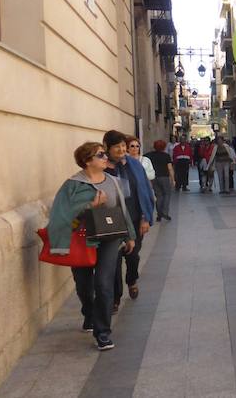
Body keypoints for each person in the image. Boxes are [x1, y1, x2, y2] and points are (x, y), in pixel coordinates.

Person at [47, 142, 136, 350]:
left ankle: (103, 332)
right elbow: (61, 214)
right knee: (84, 285)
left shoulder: (114, 182)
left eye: (105, 154)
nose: (106, 157)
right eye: (100, 155)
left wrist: (129, 235)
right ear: (87, 161)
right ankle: (89, 313)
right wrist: (90, 206)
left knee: (104, 284)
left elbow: (122, 210)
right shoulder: (72, 185)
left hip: (109, 237)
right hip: (83, 239)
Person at [103, 130, 155, 312]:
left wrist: (145, 218)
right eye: (117, 146)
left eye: (123, 146)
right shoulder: (103, 166)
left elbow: (145, 190)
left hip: (134, 217)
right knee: (114, 261)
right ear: (107, 148)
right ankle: (115, 298)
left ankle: (132, 279)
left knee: (133, 255)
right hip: (112, 220)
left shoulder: (134, 164)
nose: (121, 149)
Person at [145, 140, 175, 221]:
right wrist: (173, 179)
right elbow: (170, 168)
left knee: (159, 195)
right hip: (164, 177)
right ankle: (165, 212)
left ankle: (159, 214)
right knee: (167, 194)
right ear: (164, 147)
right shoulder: (166, 156)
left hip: (154, 177)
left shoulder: (149, 155)